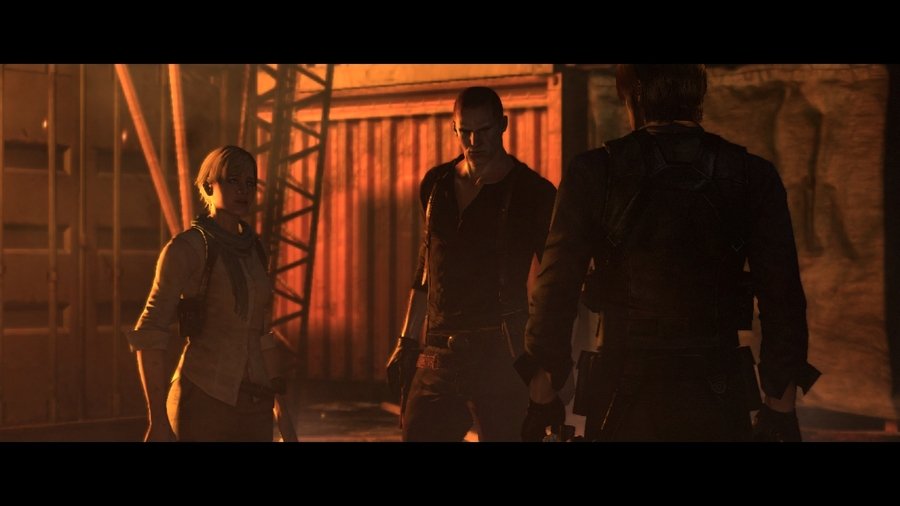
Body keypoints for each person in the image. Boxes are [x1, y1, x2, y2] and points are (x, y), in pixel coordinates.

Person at [516, 65, 820, 442]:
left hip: (620, 390)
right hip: (718, 389)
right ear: (698, 93)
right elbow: (782, 297)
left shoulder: (594, 172)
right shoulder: (752, 174)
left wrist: (544, 396)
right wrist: (780, 409)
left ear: (633, 97)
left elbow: (556, 290)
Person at [385, 87, 557, 441]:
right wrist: (406, 341)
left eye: (484, 130)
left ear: (503, 125)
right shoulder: (437, 185)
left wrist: (547, 364)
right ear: (454, 128)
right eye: (465, 131)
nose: (474, 141)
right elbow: (426, 271)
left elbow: (556, 282)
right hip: (437, 354)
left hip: (500, 354)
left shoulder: (533, 192)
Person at [128, 145, 286, 442]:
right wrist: (158, 419)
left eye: (250, 182)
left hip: (256, 406)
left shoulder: (255, 250)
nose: (243, 190)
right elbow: (150, 332)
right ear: (207, 186)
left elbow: (262, 334)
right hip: (203, 400)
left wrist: (283, 413)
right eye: (233, 180)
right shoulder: (187, 248)